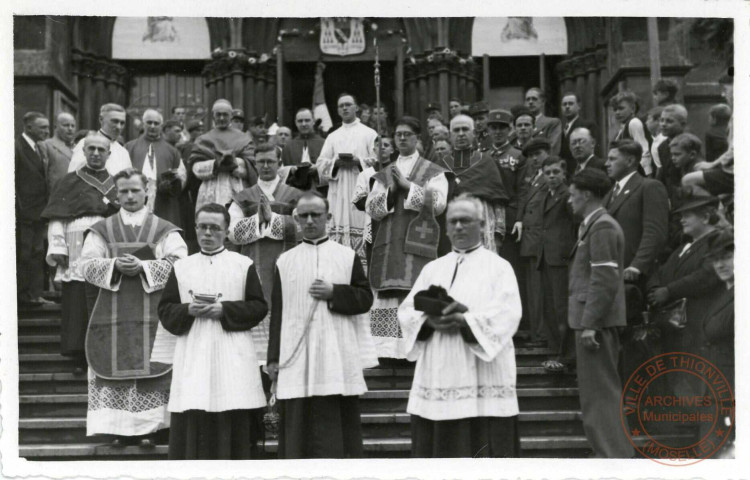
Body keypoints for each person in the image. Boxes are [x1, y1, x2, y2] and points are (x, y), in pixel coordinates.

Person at [398, 194, 522, 457]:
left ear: (481, 224)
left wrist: (466, 320)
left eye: (465, 221)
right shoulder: (433, 268)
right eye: (453, 221)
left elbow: (508, 314)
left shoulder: (499, 267)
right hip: (437, 373)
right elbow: (406, 311)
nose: (458, 227)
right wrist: (428, 321)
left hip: (483, 378)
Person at [80, 169, 187, 447]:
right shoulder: (102, 229)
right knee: (115, 364)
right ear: (116, 194)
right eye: (124, 191)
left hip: (154, 312)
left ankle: (153, 430)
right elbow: (86, 265)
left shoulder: (163, 228)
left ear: (146, 192)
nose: (129, 196)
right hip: (112, 312)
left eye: (135, 190)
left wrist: (145, 267)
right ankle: (119, 430)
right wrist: (114, 265)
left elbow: (182, 263)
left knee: (156, 365)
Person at [267, 191, 376, 458]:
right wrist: (272, 359)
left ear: (328, 217)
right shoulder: (285, 260)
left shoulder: (347, 256)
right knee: (297, 432)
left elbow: (364, 299)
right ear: (296, 218)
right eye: (303, 216)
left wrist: (335, 293)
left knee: (336, 427)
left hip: (335, 352)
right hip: (297, 355)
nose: (310, 221)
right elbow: (277, 313)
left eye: (316, 215)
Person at [158, 203, 269, 460]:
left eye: (214, 228)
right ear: (195, 229)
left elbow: (259, 307)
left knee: (231, 409)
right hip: (194, 353)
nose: (207, 233)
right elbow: (165, 311)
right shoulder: (181, 267)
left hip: (232, 353)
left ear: (226, 231)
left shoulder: (243, 264)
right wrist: (188, 311)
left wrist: (224, 310)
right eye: (202, 227)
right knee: (194, 413)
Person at [366, 117, 449, 359]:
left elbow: (440, 204)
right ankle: (386, 351)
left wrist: (408, 186)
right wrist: (392, 192)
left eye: (407, 134)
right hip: (390, 242)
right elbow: (372, 208)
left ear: (418, 138)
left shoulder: (433, 171)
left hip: (417, 243)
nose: (402, 138)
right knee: (388, 294)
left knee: (415, 292)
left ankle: (416, 349)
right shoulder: (384, 173)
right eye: (398, 134)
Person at [567, 168, 634, 458]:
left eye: (572, 195)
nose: (569, 201)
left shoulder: (602, 226)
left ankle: (616, 459)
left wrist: (591, 324)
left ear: (586, 194)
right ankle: (610, 454)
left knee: (601, 393)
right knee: (596, 394)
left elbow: (604, 279)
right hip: (591, 321)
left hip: (596, 323)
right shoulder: (593, 224)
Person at [41, 134, 120, 373]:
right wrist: (58, 246)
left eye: (101, 149)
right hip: (74, 245)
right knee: (76, 300)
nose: (96, 153)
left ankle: (100, 353)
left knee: (101, 298)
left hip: (105, 245)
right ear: (84, 152)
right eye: (91, 149)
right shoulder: (68, 181)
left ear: (109, 154)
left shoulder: (117, 183)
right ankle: (78, 356)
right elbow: (56, 217)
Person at [227, 143, 302, 362]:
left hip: (288, 265)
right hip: (254, 265)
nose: (266, 165)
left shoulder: (295, 195)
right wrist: (258, 219)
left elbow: (303, 228)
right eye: (261, 161)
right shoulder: (243, 197)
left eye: (271, 161)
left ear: (280, 163)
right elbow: (232, 233)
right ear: (255, 164)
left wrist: (273, 219)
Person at [646, 194, 724, 359]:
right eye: (681, 216)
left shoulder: (720, 241)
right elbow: (660, 272)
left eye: (687, 216)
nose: (682, 220)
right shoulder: (684, 246)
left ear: (705, 217)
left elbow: (707, 275)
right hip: (677, 326)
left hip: (699, 323)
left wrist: (669, 291)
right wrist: (654, 290)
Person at [316, 93, 378, 262]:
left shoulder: (369, 133)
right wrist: (335, 164)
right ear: (337, 110)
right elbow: (320, 164)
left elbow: (378, 161)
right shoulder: (332, 136)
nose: (345, 108)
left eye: (348, 104)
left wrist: (359, 162)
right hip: (338, 192)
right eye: (341, 105)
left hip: (360, 189)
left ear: (356, 107)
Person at [434, 114, 508, 252]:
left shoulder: (486, 161)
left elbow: (498, 199)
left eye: (465, 129)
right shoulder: (440, 165)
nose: (461, 134)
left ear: (473, 133)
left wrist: (498, 232)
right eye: (456, 130)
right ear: (450, 135)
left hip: (482, 223)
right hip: (451, 224)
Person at [603, 140, 669, 285]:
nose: (606, 164)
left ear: (630, 161)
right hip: (610, 273)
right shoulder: (609, 193)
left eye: (612, 159)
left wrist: (637, 265)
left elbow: (655, 232)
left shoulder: (649, 187)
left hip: (634, 275)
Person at [537, 157, 576, 371]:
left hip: (561, 258)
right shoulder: (547, 195)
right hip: (547, 257)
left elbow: (576, 224)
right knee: (551, 308)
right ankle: (555, 351)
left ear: (563, 174)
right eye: (547, 172)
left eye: (555, 172)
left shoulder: (567, 195)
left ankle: (566, 355)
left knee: (562, 308)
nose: (551, 176)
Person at [513, 138, 552, 346]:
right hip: (530, 240)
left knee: (540, 291)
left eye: (539, 154)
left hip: (539, 242)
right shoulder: (536, 177)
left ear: (548, 153)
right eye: (531, 156)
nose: (535, 159)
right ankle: (538, 333)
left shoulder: (549, 177)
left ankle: (542, 334)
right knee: (533, 290)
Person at [190, 99, 257, 211]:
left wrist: (235, 164)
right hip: (210, 189)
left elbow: (252, 165)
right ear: (213, 116)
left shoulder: (243, 138)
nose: (221, 118)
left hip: (237, 187)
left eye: (225, 114)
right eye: (218, 114)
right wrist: (215, 165)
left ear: (231, 116)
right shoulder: (203, 140)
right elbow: (195, 167)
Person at [124, 109, 187, 227]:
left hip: (164, 204)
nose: (152, 126)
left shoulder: (172, 151)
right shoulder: (129, 147)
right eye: (149, 122)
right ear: (143, 124)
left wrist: (172, 184)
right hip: (134, 200)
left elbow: (181, 178)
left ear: (161, 126)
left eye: (156, 123)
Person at [16, 111, 53, 307]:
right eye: (42, 127)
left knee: (37, 253)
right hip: (24, 215)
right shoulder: (16, 148)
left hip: (38, 213)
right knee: (25, 255)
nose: (47, 131)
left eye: (47, 127)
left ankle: (35, 295)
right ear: (29, 127)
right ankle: (24, 296)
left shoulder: (39, 148)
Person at [68, 103, 132, 175]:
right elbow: (73, 176)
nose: (119, 127)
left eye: (122, 123)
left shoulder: (123, 152)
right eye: (115, 121)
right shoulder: (86, 143)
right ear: (101, 119)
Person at [610, 91, 653, 177]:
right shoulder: (622, 129)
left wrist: (648, 174)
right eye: (615, 109)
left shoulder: (634, 123)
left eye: (621, 108)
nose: (617, 112)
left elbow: (644, 150)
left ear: (633, 109)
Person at [656, 104, 689, 197]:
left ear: (683, 124)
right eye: (661, 120)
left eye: (669, 121)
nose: (663, 124)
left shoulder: (689, 144)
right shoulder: (662, 147)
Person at [39, 112, 76, 192]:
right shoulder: (46, 145)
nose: (70, 128)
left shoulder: (78, 148)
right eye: (66, 125)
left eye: (73, 126)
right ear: (56, 126)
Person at [559, 92, 596, 169]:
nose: (567, 107)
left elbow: (594, 151)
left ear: (579, 106)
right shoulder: (561, 130)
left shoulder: (588, 125)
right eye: (564, 104)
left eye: (570, 104)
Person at [525, 87, 562, 155]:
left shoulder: (552, 123)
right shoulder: (519, 125)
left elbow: (553, 148)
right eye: (528, 99)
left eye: (534, 99)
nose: (530, 102)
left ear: (543, 102)